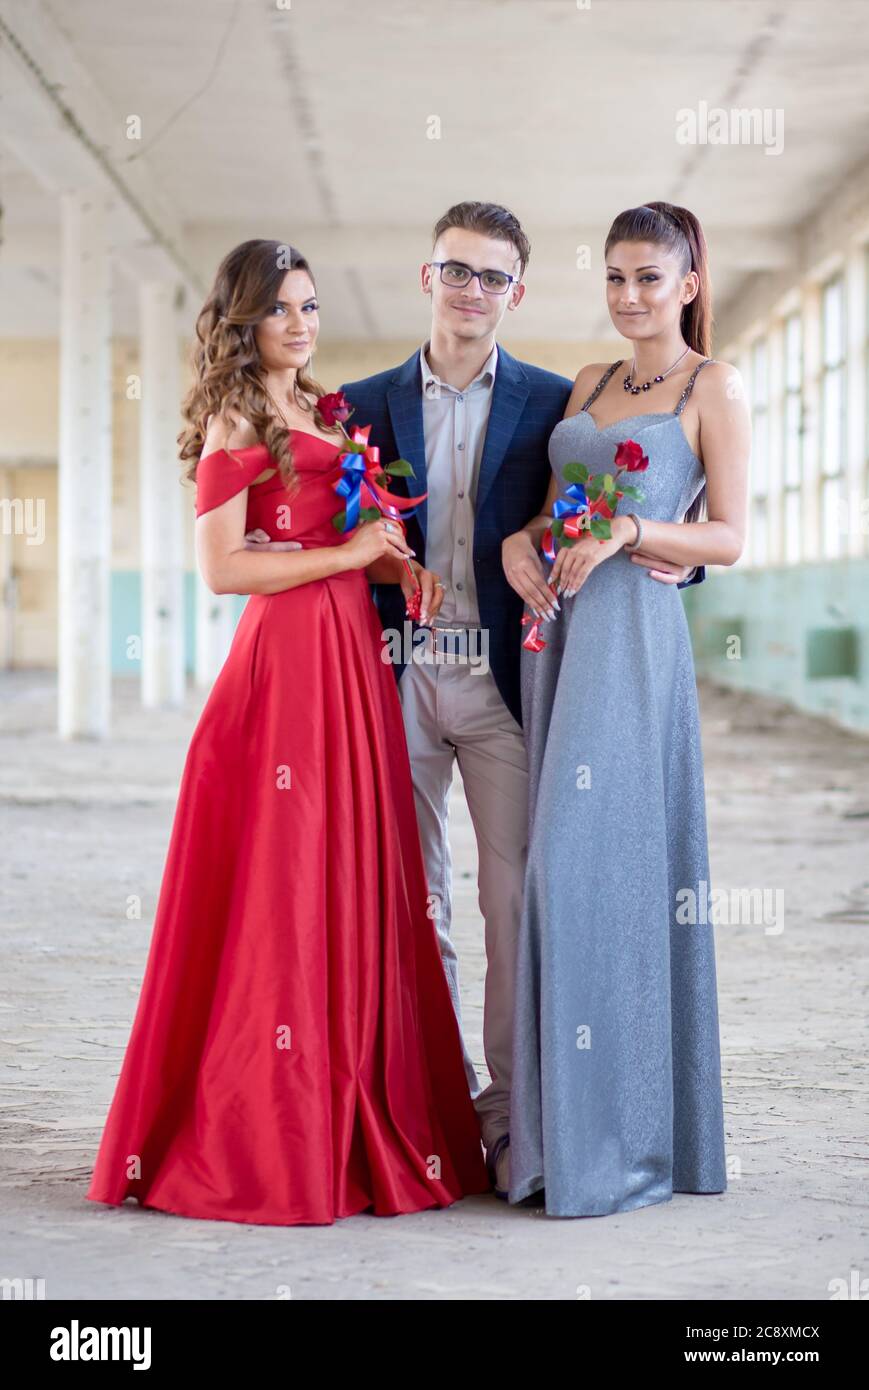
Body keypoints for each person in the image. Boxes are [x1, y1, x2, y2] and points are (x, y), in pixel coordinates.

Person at [85, 239, 490, 1226]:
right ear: (244, 322)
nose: (301, 325)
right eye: (280, 311)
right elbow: (224, 569)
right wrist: (344, 552)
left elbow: (330, 529)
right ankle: (273, 1132)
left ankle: (354, 1102)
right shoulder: (238, 413)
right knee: (286, 886)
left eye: (308, 307)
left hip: (348, 658)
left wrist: (383, 563)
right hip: (284, 672)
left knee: (352, 877)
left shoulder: (322, 407)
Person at [339, 202, 705, 1197]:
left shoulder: (553, 397)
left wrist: (669, 565)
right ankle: (425, 1102)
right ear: (428, 277)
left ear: (517, 292)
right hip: (398, 673)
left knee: (514, 901)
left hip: (510, 680)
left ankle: (507, 1119)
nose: (471, 291)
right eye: (456, 271)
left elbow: (621, 490)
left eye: (492, 277)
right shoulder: (358, 403)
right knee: (409, 904)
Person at [504, 201, 750, 1216]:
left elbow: (729, 536)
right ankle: (558, 1137)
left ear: (686, 284)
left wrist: (630, 533)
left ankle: (628, 1141)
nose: (627, 296)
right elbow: (558, 508)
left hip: (631, 642)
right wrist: (524, 541)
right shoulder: (589, 382)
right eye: (612, 276)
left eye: (648, 278)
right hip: (555, 632)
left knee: (589, 864)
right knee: (551, 873)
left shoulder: (711, 385)